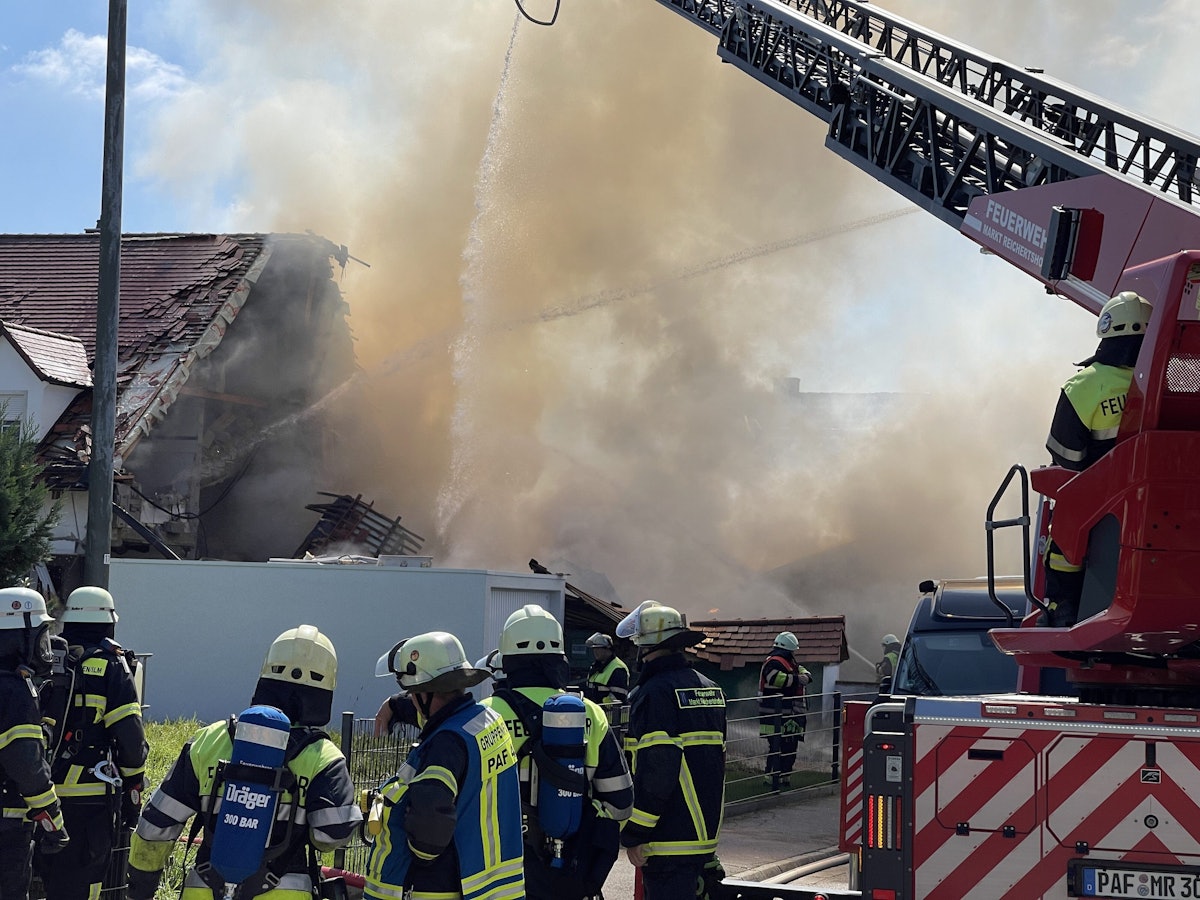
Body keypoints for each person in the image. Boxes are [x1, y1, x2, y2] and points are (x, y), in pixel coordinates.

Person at [127, 625, 361, 900]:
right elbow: (331, 836)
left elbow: (155, 827)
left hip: (203, 890)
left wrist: (141, 889)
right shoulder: (324, 757)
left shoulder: (209, 740)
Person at [482, 605, 633, 900]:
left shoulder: (484, 716)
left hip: (498, 875)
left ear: (507, 660)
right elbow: (621, 804)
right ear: (559, 659)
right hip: (569, 874)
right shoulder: (590, 714)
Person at [365, 631, 525, 900]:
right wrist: (395, 705)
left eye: (412, 692)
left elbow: (428, 832)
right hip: (493, 887)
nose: (411, 699)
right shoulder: (486, 721)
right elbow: (439, 716)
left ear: (425, 693)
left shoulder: (445, 745)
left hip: (439, 887)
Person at [1042, 290, 1152, 627]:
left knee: (1063, 532)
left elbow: (1066, 457)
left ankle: (1064, 606)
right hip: (1165, 502)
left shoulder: (1085, 385)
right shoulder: (1172, 378)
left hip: (1102, 502)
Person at [36, 587, 147, 900]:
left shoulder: (45, 659)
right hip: (87, 798)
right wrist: (134, 784)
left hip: (36, 792)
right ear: (109, 624)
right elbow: (130, 739)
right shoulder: (110, 665)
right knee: (82, 881)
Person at [616, 601, 726, 900]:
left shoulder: (654, 694)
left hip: (667, 840)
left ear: (646, 647)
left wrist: (635, 832)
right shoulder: (711, 689)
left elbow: (658, 770)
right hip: (704, 836)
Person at [0, 588, 69, 900]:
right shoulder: (14, 691)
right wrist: (54, 819)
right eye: (42, 636)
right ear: (21, 637)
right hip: (7, 822)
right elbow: (27, 765)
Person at [758, 631, 811, 787]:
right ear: (788, 650)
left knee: (790, 746)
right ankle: (771, 777)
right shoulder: (773, 663)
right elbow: (776, 679)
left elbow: (803, 671)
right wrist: (798, 679)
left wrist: (804, 676)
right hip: (775, 715)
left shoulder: (789, 663)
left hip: (790, 715)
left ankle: (784, 776)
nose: (794, 654)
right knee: (777, 746)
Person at [581, 632, 629, 712]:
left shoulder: (618, 668)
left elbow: (619, 697)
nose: (595, 651)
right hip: (593, 710)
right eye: (594, 649)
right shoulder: (595, 666)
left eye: (598, 648)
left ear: (608, 649)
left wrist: (607, 703)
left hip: (610, 714)